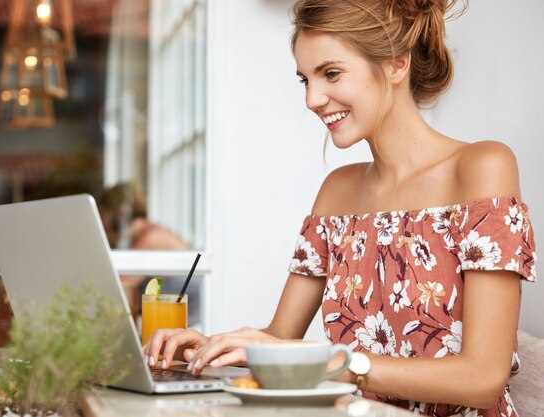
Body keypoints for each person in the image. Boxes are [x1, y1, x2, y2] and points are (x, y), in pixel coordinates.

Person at [143, 1, 538, 416]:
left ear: (397, 64)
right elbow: (280, 338)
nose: (313, 99)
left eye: (331, 73)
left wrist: (342, 366)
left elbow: (483, 378)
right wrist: (210, 346)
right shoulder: (337, 191)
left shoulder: (482, 167)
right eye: (305, 80)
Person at [96, 182, 201, 326]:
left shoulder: (151, 237)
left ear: (120, 212)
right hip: (177, 322)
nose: (101, 221)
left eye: (102, 214)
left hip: (194, 323)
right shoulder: (144, 234)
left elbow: (119, 288)